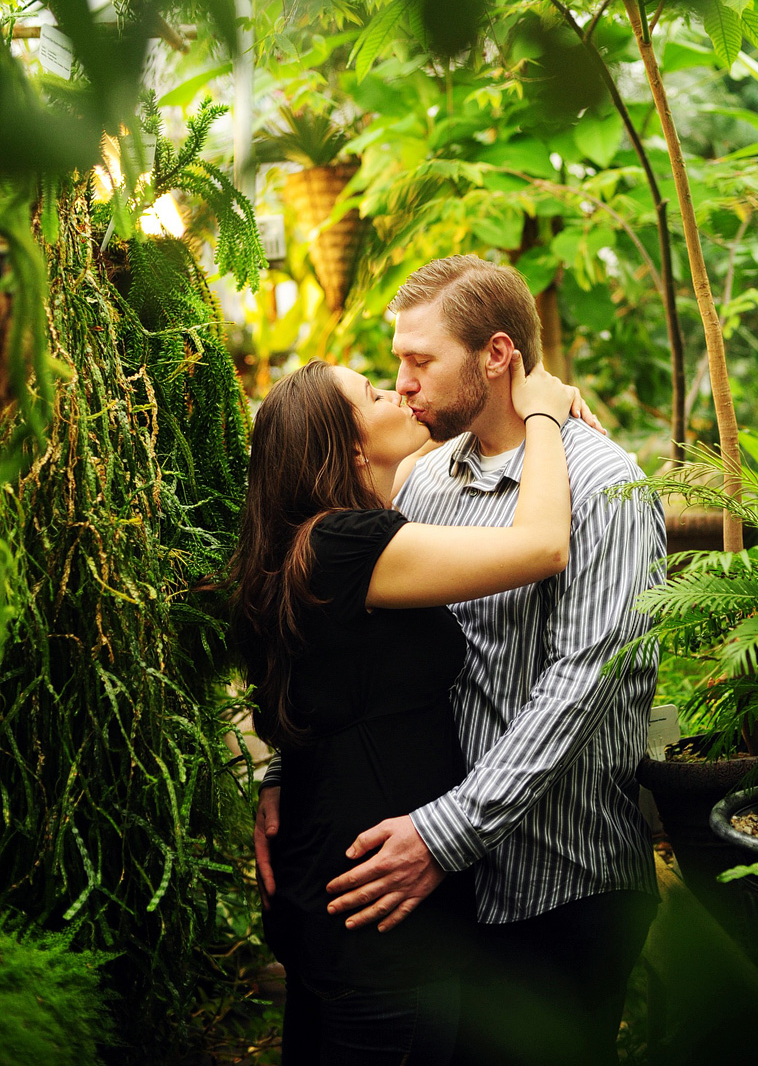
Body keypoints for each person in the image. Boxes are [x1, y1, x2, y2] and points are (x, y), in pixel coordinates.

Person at [257, 255, 666, 1066]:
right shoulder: (423, 482)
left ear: (497, 354)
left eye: (419, 361)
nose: (401, 382)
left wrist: (445, 834)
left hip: (560, 883)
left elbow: (580, 681)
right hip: (447, 892)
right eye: (394, 365)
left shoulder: (603, 482)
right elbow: (353, 655)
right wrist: (282, 767)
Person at [232, 347, 579, 1066]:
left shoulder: (310, 548)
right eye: (372, 392)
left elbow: (320, 695)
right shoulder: (345, 544)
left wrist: (275, 781)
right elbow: (544, 545)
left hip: (334, 883)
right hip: (385, 918)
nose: (396, 392)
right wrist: (542, 411)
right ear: (351, 446)